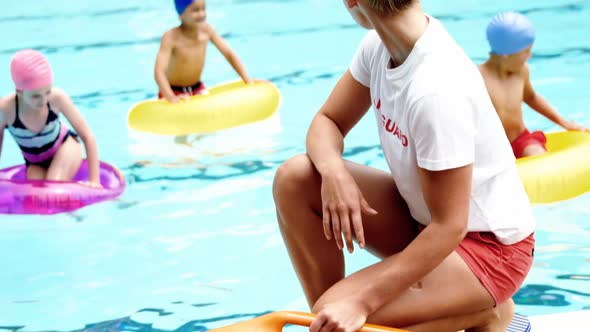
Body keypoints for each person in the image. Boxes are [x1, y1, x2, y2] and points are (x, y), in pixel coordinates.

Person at [272, 1, 535, 331]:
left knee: (338, 309)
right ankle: (337, 317)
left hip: (488, 249)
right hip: (425, 222)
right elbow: (328, 121)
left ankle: (492, 314)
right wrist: (334, 173)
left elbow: (450, 226)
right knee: (295, 178)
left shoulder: (436, 90)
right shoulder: (379, 46)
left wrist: (361, 301)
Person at [478, 11, 589, 159]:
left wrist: (565, 123)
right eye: (526, 52)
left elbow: (531, 98)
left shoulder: (521, 71)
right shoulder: (478, 78)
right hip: (491, 148)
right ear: (506, 54)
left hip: (519, 140)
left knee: (537, 155)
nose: (529, 56)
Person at [0, 49, 101, 187]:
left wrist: (94, 181)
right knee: (38, 194)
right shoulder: (6, 110)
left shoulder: (57, 98)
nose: (43, 100)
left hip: (65, 149)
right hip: (35, 163)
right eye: (36, 96)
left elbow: (88, 136)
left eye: (47, 92)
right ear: (20, 92)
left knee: (54, 185)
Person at [154, 0, 253, 103]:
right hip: (173, 91)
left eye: (203, 9)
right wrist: (170, 96)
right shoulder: (171, 37)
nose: (201, 14)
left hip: (198, 89)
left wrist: (247, 80)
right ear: (181, 14)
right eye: (195, 10)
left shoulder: (207, 30)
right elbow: (159, 72)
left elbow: (229, 54)